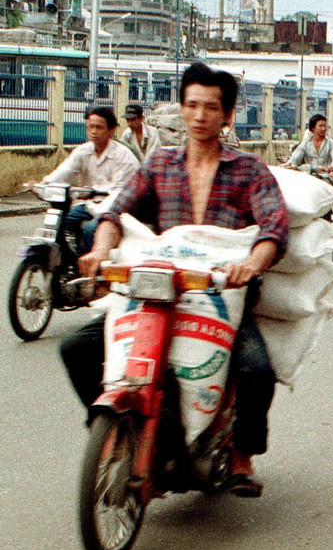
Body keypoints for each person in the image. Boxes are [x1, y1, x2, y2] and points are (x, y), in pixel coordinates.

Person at [60, 62, 290, 498]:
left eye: (210, 107)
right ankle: (117, 433)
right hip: (159, 293)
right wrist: (100, 249)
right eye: (192, 105)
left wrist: (251, 265)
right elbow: (115, 212)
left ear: (227, 115)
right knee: (75, 349)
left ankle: (242, 455)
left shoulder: (250, 170)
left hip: (219, 299)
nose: (200, 115)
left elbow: (273, 228)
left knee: (257, 371)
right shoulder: (159, 163)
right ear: (181, 109)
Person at [32, 106, 139, 253]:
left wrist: (97, 203)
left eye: (99, 127)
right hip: (91, 204)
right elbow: (64, 172)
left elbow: (119, 193)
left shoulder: (123, 156)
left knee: (90, 229)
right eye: (90, 127)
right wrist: (42, 186)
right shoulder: (83, 151)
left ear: (111, 130)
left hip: (118, 208)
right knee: (61, 221)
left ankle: (93, 267)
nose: (94, 131)